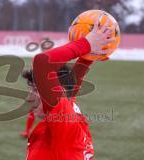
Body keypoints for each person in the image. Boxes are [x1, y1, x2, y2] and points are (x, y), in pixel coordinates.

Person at [24, 15, 115, 160]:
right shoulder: (69, 110)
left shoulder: (63, 123)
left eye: (37, 90)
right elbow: (72, 84)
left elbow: (42, 62)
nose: (29, 98)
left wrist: (87, 44)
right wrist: (88, 57)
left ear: (59, 91)